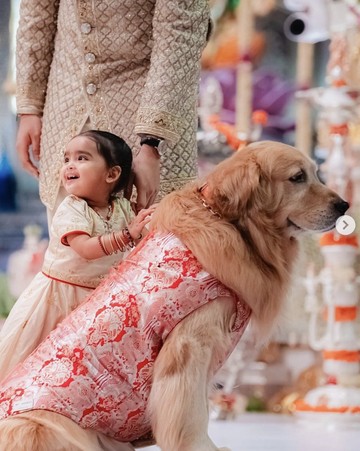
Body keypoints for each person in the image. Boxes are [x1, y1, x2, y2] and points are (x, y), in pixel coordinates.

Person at [15, 0, 211, 220]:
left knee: (151, 239)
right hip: (67, 105)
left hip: (146, 109)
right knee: (70, 243)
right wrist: (29, 108)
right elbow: (36, 17)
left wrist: (152, 142)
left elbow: (180, 33)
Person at [0, 129, 155, 382]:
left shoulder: (122, 208)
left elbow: (141, 239)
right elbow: (85, 248)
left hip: (99, 300)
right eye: (66, 159)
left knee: (86, 369)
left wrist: (150, 223)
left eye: (82, 158)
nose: (70, 165)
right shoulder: (71, 208)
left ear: (112, 174)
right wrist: (128, 234)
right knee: (43, 363)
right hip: (60, 299)